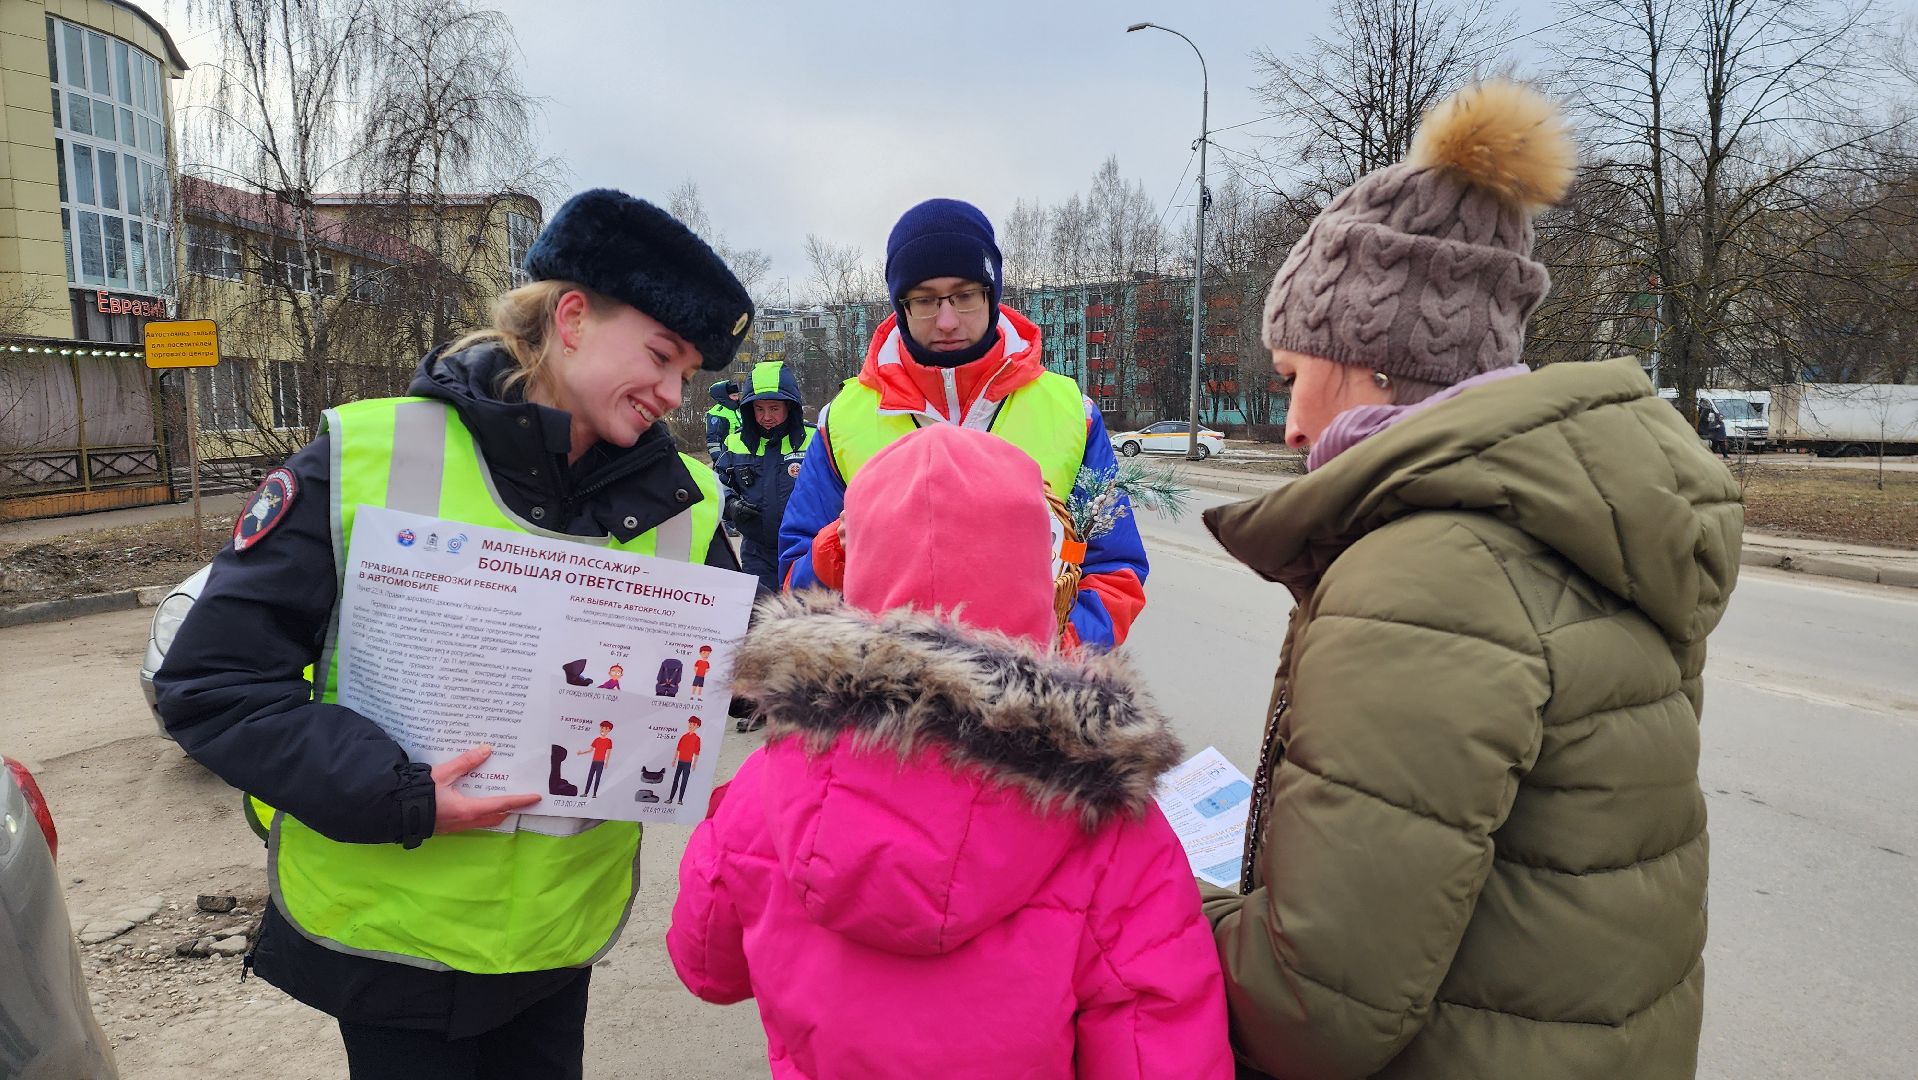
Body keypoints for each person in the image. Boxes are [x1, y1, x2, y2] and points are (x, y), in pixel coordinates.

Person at [1197, 82, 1741, 1079]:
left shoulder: (1425, 574)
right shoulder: (1580, 521)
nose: (1286, 426)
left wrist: (1146, 888)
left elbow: (1315, 1009)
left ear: (1367, 359)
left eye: (1289, 378)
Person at [153, 188, 755, 1080]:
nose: (674, 395)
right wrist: (396, 792)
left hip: (556, 943)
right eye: (662, 357)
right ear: (575, 318)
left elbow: (740, 670)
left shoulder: (685, 501)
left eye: (689, 373)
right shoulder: (366, 456)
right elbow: (214, 686)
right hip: (393, 942)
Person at [669, 423, 1233, 1078]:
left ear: (857, 572)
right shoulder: (1107, 817)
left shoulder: (764, 785)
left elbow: (705, 965)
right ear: (1034, 574)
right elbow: (1156, 1048)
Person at [776, 198, 1148, 651]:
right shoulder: (844, 420)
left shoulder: (1071, 411)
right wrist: (838, 546)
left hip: (1029, 700)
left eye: (965, 295)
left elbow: (1116, 571)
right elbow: (795, 579)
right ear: (901, 306)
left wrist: (1056, 658)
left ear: (991, 295)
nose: (948, 320)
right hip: (891, 702)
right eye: (926, 300)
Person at [717, 360, 812, 593]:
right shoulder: (736, 442)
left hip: (805, 548)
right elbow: (717, 484)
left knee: (805, 619)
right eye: (759, 409)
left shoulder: (813, 439)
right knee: (759, 618)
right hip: (756, 552)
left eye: (774, 408)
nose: (766, 416)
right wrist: (731, 506)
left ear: (790, 407)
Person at [575, 721, 614, 798]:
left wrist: (606, 762)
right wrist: (581, 753)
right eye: (602, 728)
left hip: (601, 762)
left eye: (605, 728)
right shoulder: (596, 739)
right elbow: (590, 750)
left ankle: (594, 794)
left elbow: (608, 753)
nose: (603, 730)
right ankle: (585, 793)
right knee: (590, 777)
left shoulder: (609, 741)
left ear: (609, 730)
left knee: (597, 778)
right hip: (594, 761)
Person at [668, 717, 701, 806]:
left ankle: (680, 799)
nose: (691, 726)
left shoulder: (697, 739)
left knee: (684, 781)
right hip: (680, 762)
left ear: (697, 726)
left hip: (688, 763)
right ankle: (670, 798)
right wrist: (674, 759)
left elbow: (696, 752)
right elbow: (678, 749)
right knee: (675, 780)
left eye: (693, 724)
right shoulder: (684, 736)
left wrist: (694, 763)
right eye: (690, 723)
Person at [705, 378, 742, 460]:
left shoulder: (735, 411)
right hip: (726, 458)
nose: (737, 398)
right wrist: (719, 461)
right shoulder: (716, 413)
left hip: (738, 456)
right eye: (734, 396)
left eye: (737, 395)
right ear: (724, 397)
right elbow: (713, 440)